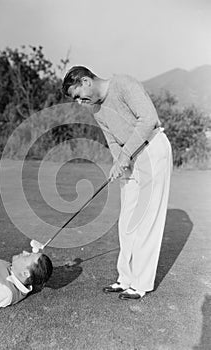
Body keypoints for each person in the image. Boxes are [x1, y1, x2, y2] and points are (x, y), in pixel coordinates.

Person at [62, 66, 172, 300]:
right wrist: (117, 161)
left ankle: (140, 284)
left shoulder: (123, 83)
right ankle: (125, 279)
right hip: (131, 157)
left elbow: (148, 119)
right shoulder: (97, 109)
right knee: (127, 221)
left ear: (86, 81)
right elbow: (112, 140)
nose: (80, 102)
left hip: (153, 150)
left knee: (146, 219)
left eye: (79, 95)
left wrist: (125, 156)